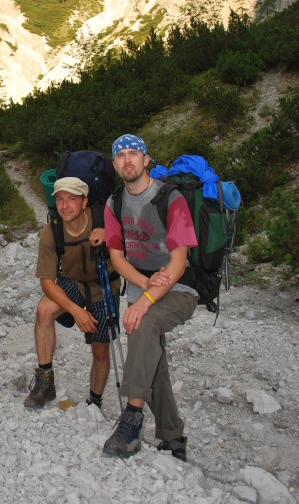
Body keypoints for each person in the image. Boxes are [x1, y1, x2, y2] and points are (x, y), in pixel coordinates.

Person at [101, 134, 198, 461]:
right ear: (115, 165)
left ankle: (131, 420)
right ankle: (173, 438)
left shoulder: (170, 198)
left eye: (134, 153)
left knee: (143, 328)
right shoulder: (114, 203)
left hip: (179, 287)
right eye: (121, 156)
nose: (127, 160)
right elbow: (117, 258)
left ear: (146, 160)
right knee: (151, 361)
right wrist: (143, 284)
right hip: (143, 284)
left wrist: (145, 300)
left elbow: (179, 262)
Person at [24, 176, 121, 410]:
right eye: (60, 199)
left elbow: (132, 240)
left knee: (100, 349)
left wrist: (111, 235)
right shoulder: (52, 232)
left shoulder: (104, 219)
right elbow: (47, 282)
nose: (65, 206)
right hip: (72, 282)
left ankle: (94, 400)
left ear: (84, 201)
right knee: (44, 310)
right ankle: (45, 381)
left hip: (104, 285)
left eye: (71, 199)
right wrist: (76, 311)